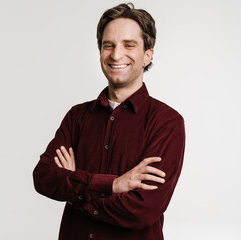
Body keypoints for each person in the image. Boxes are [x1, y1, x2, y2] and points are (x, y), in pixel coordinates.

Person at [33, 3, 185, 240]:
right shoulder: (77, 116)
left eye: (129, 45)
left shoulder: (166, 123)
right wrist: (113, 185)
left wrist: (77, 194)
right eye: (108, 45)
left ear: (147, 55)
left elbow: (143, 210)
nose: (116, 54)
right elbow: (43, 177)